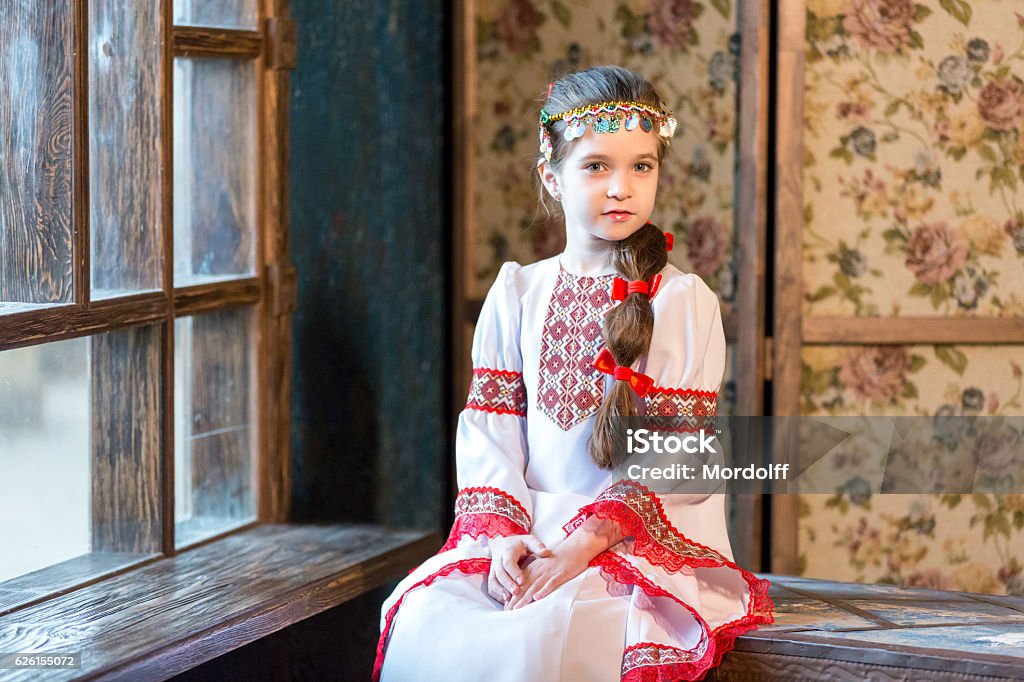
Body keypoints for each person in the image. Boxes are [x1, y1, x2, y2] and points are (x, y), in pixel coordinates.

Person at [374, 65, 773, 682]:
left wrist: (579, 548)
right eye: (595, 166)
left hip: (630, 543)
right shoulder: (517, 293)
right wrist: (504, 536)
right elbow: (491, 430)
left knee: (541, 641)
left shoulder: (680, 301)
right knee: (427, 614)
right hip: (526, 531)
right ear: (551, 177)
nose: (621, 187)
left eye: (642, 166)